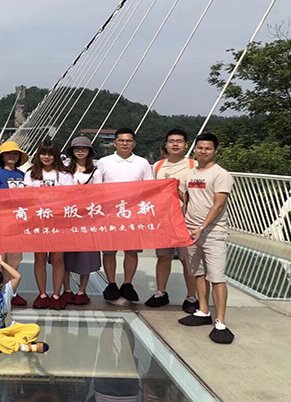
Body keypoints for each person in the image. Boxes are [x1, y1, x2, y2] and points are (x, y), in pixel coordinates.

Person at [178, 133, 235, 344]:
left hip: (213, 232)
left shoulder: (221, 175)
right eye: (200, 148)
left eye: (208, 148)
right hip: (191, 231)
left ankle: (220, 322)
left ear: (215, 151)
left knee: (217, 277)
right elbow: (187, 198)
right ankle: (203, 310)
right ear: (195, 149)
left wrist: (202, 227)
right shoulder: (189, 174)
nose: (203, 151)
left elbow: (219, 204)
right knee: (198, 273)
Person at [96, 128, 153, 304]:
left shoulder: (142, 163)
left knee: (131, 251)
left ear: (134, 143)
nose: (125, 143)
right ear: (115, 143)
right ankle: (111, 283)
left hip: (133, 214)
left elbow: (150, 189)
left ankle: (127, 283)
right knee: (109, 251)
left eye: (128, 141)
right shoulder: (104, 162)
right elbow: (96, 188)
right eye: (121, 140)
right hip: (109, 214)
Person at [146, 129, 198, 313]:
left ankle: (191, 296)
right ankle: (160, 292)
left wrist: (177, 190)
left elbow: (197, 196)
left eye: (179, 141)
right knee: (163, 257)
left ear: (186, 145)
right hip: (163, 219)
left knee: (188, 259)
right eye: (171, 141)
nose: (175, 144)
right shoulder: (158, 166)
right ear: (166, 144)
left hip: (186, 219)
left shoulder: (193, 165)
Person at [24, 140, 75, 310]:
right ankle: (42, 294)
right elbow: (27, 197)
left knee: (57, 259)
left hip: (59, 222)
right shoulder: (31, 174)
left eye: (50, 154)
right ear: (38, 155)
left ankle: (56, 294)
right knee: (39, 258)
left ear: (55, 156)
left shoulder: (65, 174)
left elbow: (69, 197)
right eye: (43, 153)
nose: (46, 157)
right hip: (38, 222)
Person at [0, 254, 49, 355]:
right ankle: (25, 347)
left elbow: (17, 277)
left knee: (34, 328)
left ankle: (5, 345)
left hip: (9, 328)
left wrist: (2, 263)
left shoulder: (6, 290)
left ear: (0, 286)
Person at [0, 141, 29, 307]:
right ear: (2, 156)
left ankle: (12, 291)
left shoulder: (23, 175)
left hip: (17, 222)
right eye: (8, 153)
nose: (12, 156)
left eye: (15, 153)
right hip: (0, 222)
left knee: (15, 259)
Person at [63, 136, 102, 306]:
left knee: (86, 255)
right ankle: (67, 289)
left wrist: (82, 192)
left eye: (84, 148)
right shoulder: (64, 170)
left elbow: (99, 193)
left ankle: (82, 290)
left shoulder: (95, 171)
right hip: (67, 217)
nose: (80, 151)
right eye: (77, 148)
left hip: (87, 218)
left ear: (89, 152)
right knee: (64, 255)